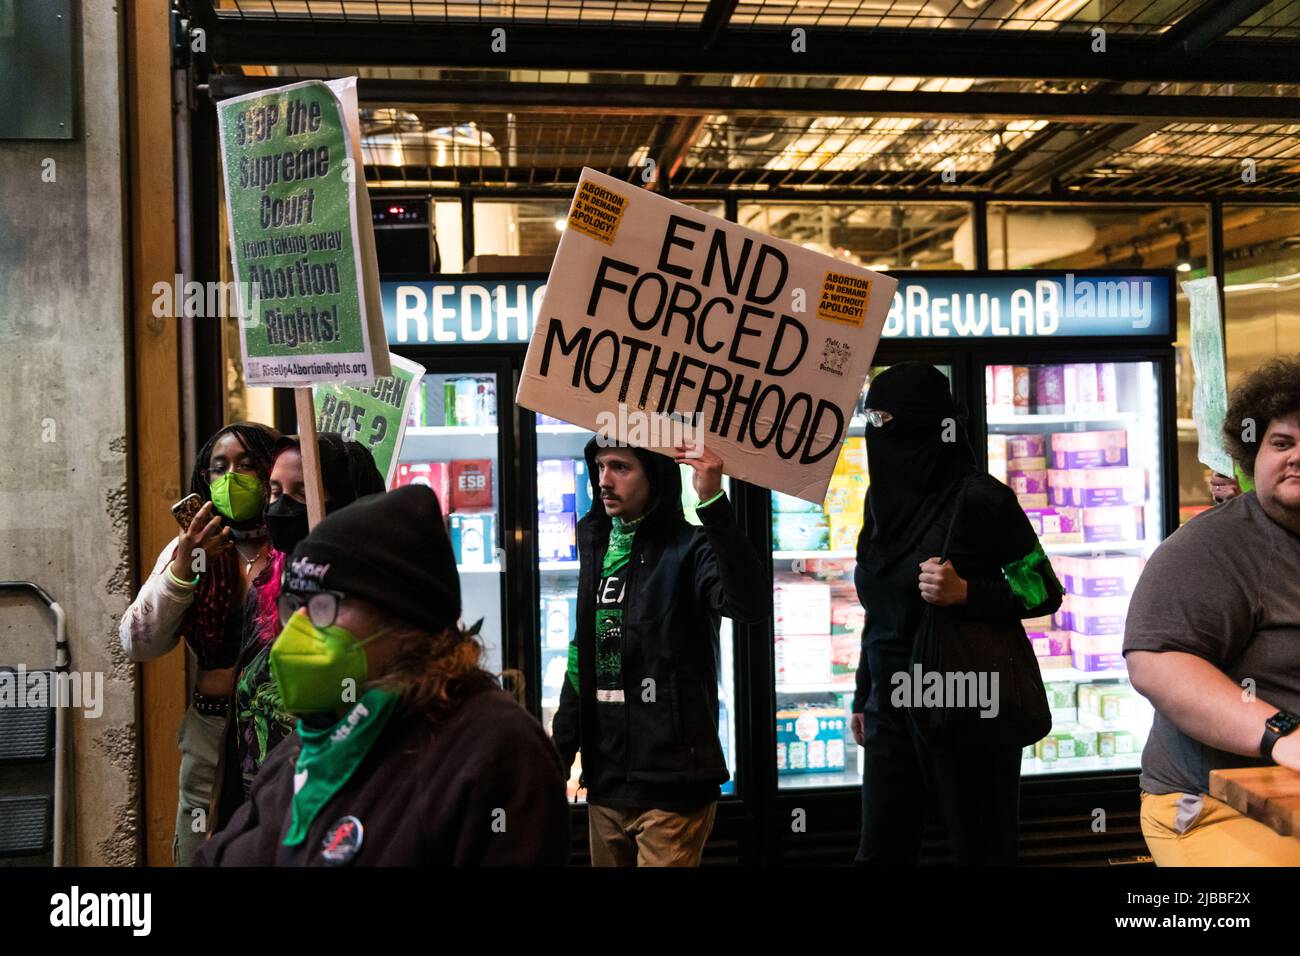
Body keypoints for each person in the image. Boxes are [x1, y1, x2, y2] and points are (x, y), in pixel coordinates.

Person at [196, 485, 570, 865]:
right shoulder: (306, 747)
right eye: (294, 606)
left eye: (325, 605)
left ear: (402, 618)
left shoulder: (494, 749)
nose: (299, 627)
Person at [851, 362, 1063, 866]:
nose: (875, 433)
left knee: (981, 849)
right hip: (890, 703)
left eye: (885, 419)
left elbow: (1043, 592)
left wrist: (967, 593)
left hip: (964, 699)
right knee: (880, 853)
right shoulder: (879, 502)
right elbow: (878, 610)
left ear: (923, 423)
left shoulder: (983, 498)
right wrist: (864, 694)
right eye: (871, 419)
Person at [551, 439, 768, 867]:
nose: (604, 481)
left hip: (673, 783)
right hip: (606, 779)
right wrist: (559, 755)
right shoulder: (597, 544)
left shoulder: (692, 548)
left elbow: (749, 605)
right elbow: (584, 656)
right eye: (599, 466)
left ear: (656, 478)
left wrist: (713, 502)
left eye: (620, 468)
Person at [1125, 356, 1300, 866]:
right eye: (1281, 443)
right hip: (1211, 803)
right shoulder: (1213, 546)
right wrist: (1281, 735)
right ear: (1252, 453)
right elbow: (1158, 663)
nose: (1294, 458)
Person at [119, 421, 280, 866]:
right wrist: (187, 564)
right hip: (210, 732)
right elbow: (137, 642)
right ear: (205, 480)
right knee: (200, 848)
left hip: (282, 730)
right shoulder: (188, 547)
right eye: (219, 467)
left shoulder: (296, 544)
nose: (231, 477)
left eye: (248, 466)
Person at [210, 433, 386, 826]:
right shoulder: (270, 588)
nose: (281, 506)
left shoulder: (374, 609)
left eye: (302, 492)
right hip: (259, 821)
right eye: (274, 491)